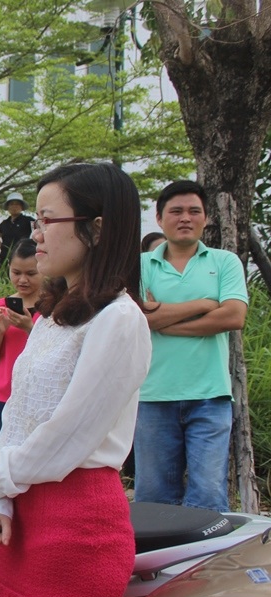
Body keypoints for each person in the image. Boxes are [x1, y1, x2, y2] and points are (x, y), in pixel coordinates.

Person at [0, 163, 152, 597]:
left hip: (77, 531)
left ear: (97, 228)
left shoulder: (119, 319)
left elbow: (69, 435)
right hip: (26, 526)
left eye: (47, 220)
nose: (35, 234)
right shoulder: (56, 315)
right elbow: (21, 416)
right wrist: (2, 501)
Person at [133, 180, 248, 512]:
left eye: (194, 211)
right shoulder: (139, 265)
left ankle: (208, 565)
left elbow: (233, 317)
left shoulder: (225, 262)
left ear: (206, 218)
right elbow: (141, 318)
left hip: (210, 397)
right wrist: (205, 303)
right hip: (153, 397)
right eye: (176, 211)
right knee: (154, 500)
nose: (185, 217)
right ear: (159, 218)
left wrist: (165, 319)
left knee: (208, 497)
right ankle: (158, 566)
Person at [0, 238, 42, 456]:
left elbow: (56, 349)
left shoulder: (52, 305)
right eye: (16, 272)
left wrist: (29, 327)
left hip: (37, 397)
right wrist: (0, 331)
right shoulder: (0, 306)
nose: (22, 280)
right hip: (2, 395)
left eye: (31, 274)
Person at [0, 192, 34, 268]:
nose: (14, 207)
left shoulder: (28, 220)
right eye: (11, 204)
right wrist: (2, 246)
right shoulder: (4, 223)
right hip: (5, 258)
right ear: (8, 207)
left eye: (17, 204)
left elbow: (39, 230)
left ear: (21, 207)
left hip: (21, 257)